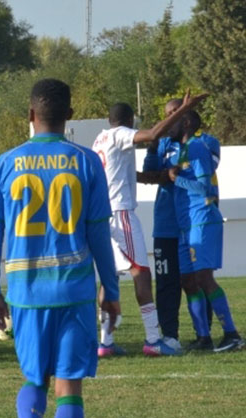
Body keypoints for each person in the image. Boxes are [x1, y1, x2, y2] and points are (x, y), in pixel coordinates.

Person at [0, 79, 120, 418]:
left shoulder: (6, 163)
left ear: (30, 115)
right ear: (69, 116)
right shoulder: (85, 161)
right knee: (70, 388)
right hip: (74, 290)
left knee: (33, 380)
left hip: (24, 292)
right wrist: (111, 290)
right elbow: (98, 232)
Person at [91, 95, 204, 357]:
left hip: (102, 215)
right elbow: (154, 133)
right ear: (129, 122)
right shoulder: (121, 135)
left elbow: (129, 174)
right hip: (121, 214)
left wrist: (159, 177)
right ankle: (153, 339)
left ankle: (105, 343)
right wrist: (184, 109)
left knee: (109, 278)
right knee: (141, 273)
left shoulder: (100, 139)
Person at [167, 111, 243, 352]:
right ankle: (204, 337)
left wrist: (175, 179)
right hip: (186, 225)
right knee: (188, 280)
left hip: (203, 219)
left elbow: (204, 188)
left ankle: (232, 334)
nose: (169, 123)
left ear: (186, 123)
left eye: (174, 118)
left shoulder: (197, 148)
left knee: (203, 278)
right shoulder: (180, 150)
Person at [141, 98, 184, 347]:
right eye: (168, 113)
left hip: (191, 225)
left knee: (196, 281)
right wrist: (153, 144)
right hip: (166, 226)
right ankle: (170, 335)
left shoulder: (200, 143)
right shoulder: (162, 144)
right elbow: (148, 175)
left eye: (177, 111)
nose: (172, 116)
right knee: (166, 282)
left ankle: (205, 334)